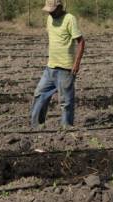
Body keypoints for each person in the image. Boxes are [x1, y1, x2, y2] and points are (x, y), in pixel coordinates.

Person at [31, 0, 85, 128]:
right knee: (39, 94)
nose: (50, 13)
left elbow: (81, 41)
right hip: (50, 67)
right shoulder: (50, 19)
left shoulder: (69, 19)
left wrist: (76, 63)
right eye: (48, 11)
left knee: (66, 101)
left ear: (60, 7)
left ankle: (66, 127)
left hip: (66, 68)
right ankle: (37, 125)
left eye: (52, 10)